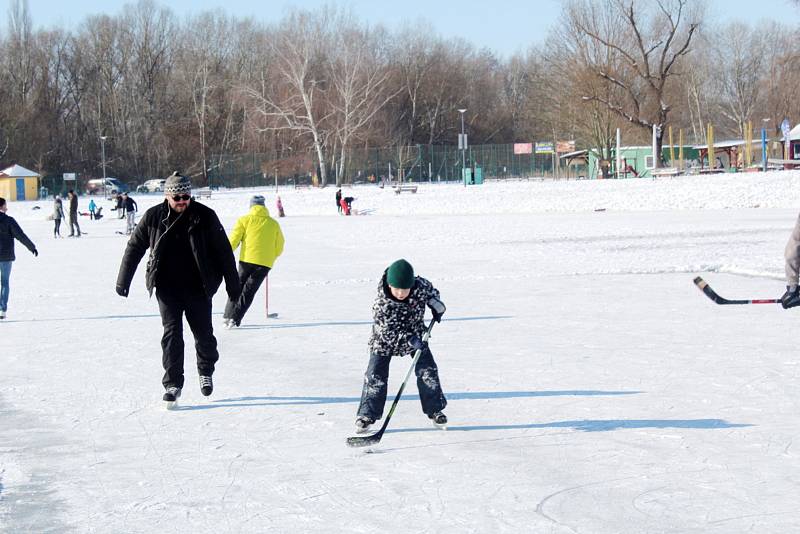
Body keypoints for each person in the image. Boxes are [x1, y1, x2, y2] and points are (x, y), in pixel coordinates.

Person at [115, 171, 240, 406]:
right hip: (167, 287)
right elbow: (134, 247)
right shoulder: (153, 217)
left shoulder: (205, 216)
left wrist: (233, 286)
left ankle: (205, 372)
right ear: (167, 197)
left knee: (203, 335)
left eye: (186, 196)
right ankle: (172, 383)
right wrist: (123, 281)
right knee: (172, 335)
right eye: (177, 197)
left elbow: (223, 252)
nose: (182, 201)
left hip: (199, 286)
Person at [354, 259, 448, 433]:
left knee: (428, 370)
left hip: (417, 333)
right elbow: (386, 332)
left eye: (405, 289)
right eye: (397, 289)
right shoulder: (382, 304)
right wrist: (408, 339)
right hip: (384, 340)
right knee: (375, 375)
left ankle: (435, 409)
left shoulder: (421, 286)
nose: (401, 293)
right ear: (389, 285)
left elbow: (432, 292)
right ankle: (367, 415)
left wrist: (436, 303)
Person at [223, 195, 285, 328]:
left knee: (237, 287)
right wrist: (271, 257)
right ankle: (235, 318)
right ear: (264, 206)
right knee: (249, 291)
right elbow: (280, 245)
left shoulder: (244, 220)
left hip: (246, 260)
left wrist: (224, 253)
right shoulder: (273, 223)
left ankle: (228, 315)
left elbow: (234, 240)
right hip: (265, 263)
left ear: (251, 206)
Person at [0, 197, 38, 320]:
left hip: (6, 256)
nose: (7, 207)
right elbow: (20, 235)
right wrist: (31, 247)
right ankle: (2, 310)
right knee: (4, 283)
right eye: (5, 205)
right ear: (2, 207)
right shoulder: (9, 220)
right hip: (6, 256)